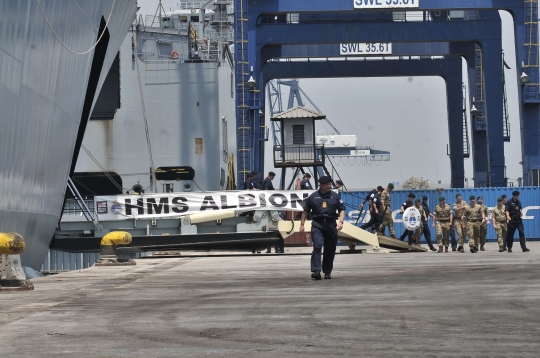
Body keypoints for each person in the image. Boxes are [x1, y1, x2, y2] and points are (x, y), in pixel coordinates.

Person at [300, 176, 346, 280]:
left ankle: (327, 271)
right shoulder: (313, 197)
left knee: (330, 248)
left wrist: (341, 222)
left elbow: (342, 209)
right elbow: (305, 211)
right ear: (321, 185)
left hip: (330, 224)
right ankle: (316, 270)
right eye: (326, 184)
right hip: (318, 224)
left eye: (329, 184)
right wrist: (302, 225)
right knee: (317, 245)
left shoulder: (335, 196)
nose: (329, 186)